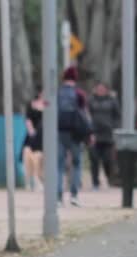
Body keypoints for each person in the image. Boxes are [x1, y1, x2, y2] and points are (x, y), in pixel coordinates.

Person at [57, 67, 92, 206]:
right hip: (76, 134)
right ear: (75, 78)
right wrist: (90, 132)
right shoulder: (79, 94)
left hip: (60, 132)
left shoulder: (58, 93)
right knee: (76, 164)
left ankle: (58, 197)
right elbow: (85, 114)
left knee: (58, 165)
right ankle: (74, 195)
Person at [88, 81, 120, 190]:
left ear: (107, 90)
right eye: (98, 88)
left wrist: (115, 128)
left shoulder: (112, 101)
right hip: (94, 135)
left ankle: (109, 178)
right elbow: (87, 115)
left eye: (103, 89)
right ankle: (95, 182)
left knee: (108, 159)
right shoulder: (91, 101)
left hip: (108, 135)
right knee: (94, 160)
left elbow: (117, 116)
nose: (100, 90)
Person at [22, 89, 45, 191]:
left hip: (45, 137)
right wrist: (32, 132)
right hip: (33, 138)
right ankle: (30, 181)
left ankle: (40, 181)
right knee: (29, 159)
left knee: (42, 161)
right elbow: (28, 120)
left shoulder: (50, 105)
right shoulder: (31, 104)